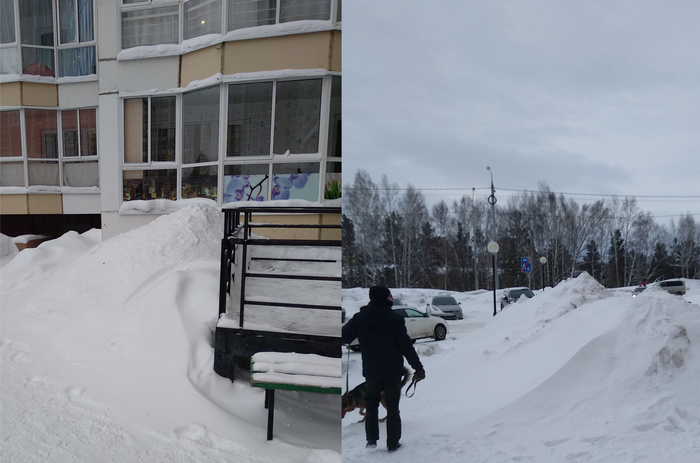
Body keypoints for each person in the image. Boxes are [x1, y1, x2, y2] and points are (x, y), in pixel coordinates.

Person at [342, 285, 426, 452]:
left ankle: (371, 441)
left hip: (372, 372)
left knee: (371, 405)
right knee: (393, 407)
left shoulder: (360, 318)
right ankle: (393, 443)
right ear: (384, 298)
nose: (392, 298)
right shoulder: (395, 319)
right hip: (392, 371)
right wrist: (418, 368)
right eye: (390, 296)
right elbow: (406, 346)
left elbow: (344, 336)